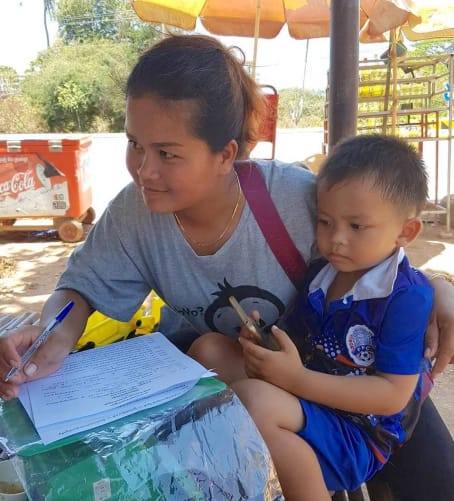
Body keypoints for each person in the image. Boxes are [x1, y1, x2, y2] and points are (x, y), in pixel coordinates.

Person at [0, 34, 452, 500]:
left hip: (354, 385)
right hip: (256, 377)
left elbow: (375, 238)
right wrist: (48, 335)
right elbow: (82, 288)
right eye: (135, 144)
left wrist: (436, 286)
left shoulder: (298, 200)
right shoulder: (135, 213)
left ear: (226, 155)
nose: (143, 170)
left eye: (167, 153)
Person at [188, 134, 435, 499]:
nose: (336, 238)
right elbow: (300, 341)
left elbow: (390, 397)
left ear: (406, 231)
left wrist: (296, 379)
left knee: (255, 402)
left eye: (356, 226)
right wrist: (263, 344)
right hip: (310, 397)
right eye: (325, 221)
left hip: (356, 431)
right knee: (208, 350)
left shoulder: (404, 297)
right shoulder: (323, 274)